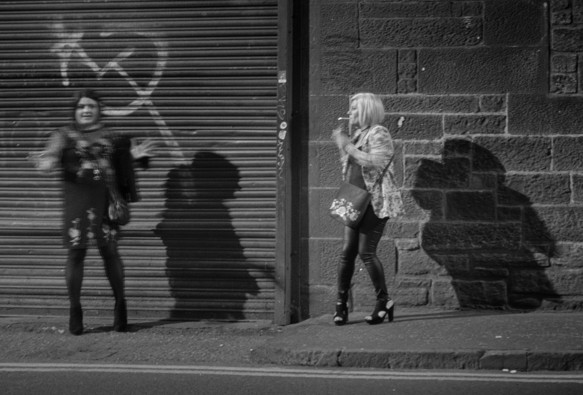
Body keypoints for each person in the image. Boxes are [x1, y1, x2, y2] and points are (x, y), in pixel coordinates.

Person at [30, 89, 156, 335]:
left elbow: (129, 162)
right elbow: (50, 158)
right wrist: (44, 163)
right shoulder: (63, 136)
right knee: (76, 255)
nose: (86, 110)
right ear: (74, 111)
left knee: (110, 254)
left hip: (107, 204)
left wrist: (135, 157)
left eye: (91, 106)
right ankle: (75, 309)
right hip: (77, 205)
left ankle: (120, 306)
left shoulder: (114, 138)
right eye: (81, 107)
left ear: (99, 109)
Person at [331, 92, 404, 325]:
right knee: (346, 252)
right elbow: (350, 167)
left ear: (364, 110)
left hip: (374, 202)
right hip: (354, 200)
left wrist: (348, 146)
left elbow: (375, 161)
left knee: (366, 251)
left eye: (353, 109)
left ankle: (384, 302)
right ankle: (341, 305)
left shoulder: (379, 132)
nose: (350, 113)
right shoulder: (359, 134)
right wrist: (344, 146)